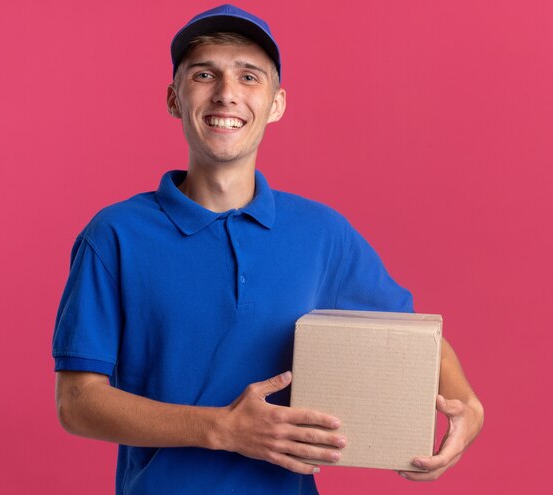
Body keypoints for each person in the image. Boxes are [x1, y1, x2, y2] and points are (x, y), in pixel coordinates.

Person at [52, 4, 484, 494]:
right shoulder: (114, 235)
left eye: (249, 76)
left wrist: (468, 403)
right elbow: (77, 401)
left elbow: (414, 337)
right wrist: (222, 429)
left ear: (276, 103)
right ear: (174, 98)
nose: (227, 93)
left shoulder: (322, 234)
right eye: (204, 73)